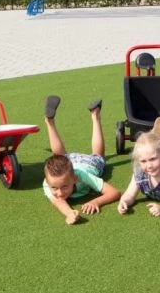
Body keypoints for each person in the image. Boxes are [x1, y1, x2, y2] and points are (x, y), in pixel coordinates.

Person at [42, 95, 121, 225]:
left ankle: (95, 116)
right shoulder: (48, 182)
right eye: (54, 188)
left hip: (89, 163)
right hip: (68, 161)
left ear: (75, 179)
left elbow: (114, 192)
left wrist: (96, 201)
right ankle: (49, 122)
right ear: (47, 181)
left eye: (64, 186)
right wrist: (69, 213)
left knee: (99, 156)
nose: (59, 193)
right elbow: (58, 201)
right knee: (59, 156)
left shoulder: (82, 176)